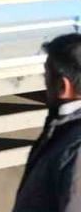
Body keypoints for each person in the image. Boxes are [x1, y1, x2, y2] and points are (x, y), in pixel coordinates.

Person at [13, 33, 81, 211]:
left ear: (62, 86)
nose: (44, 83)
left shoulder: (75, 147)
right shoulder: (65, 128)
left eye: (46, 75)